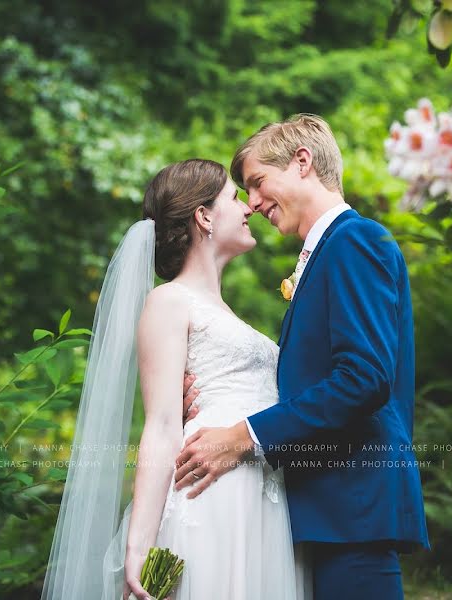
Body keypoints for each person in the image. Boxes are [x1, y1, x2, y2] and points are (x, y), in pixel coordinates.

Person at [174, 115, 430, 600]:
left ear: (302, 162)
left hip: (352, 506)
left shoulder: (355, 241)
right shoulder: (331, 251)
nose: (252, 202)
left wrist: (244, 435)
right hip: (329, 509)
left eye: (257, 182)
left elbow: (363, 379)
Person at [40, 159, 310, 600]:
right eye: (234, 198)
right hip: (213, 496)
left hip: (262, 497)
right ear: (203, 216)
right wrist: (139, 547)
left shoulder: (223, 312)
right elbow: (162, 426)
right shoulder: (168, 302)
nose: (249, 208)